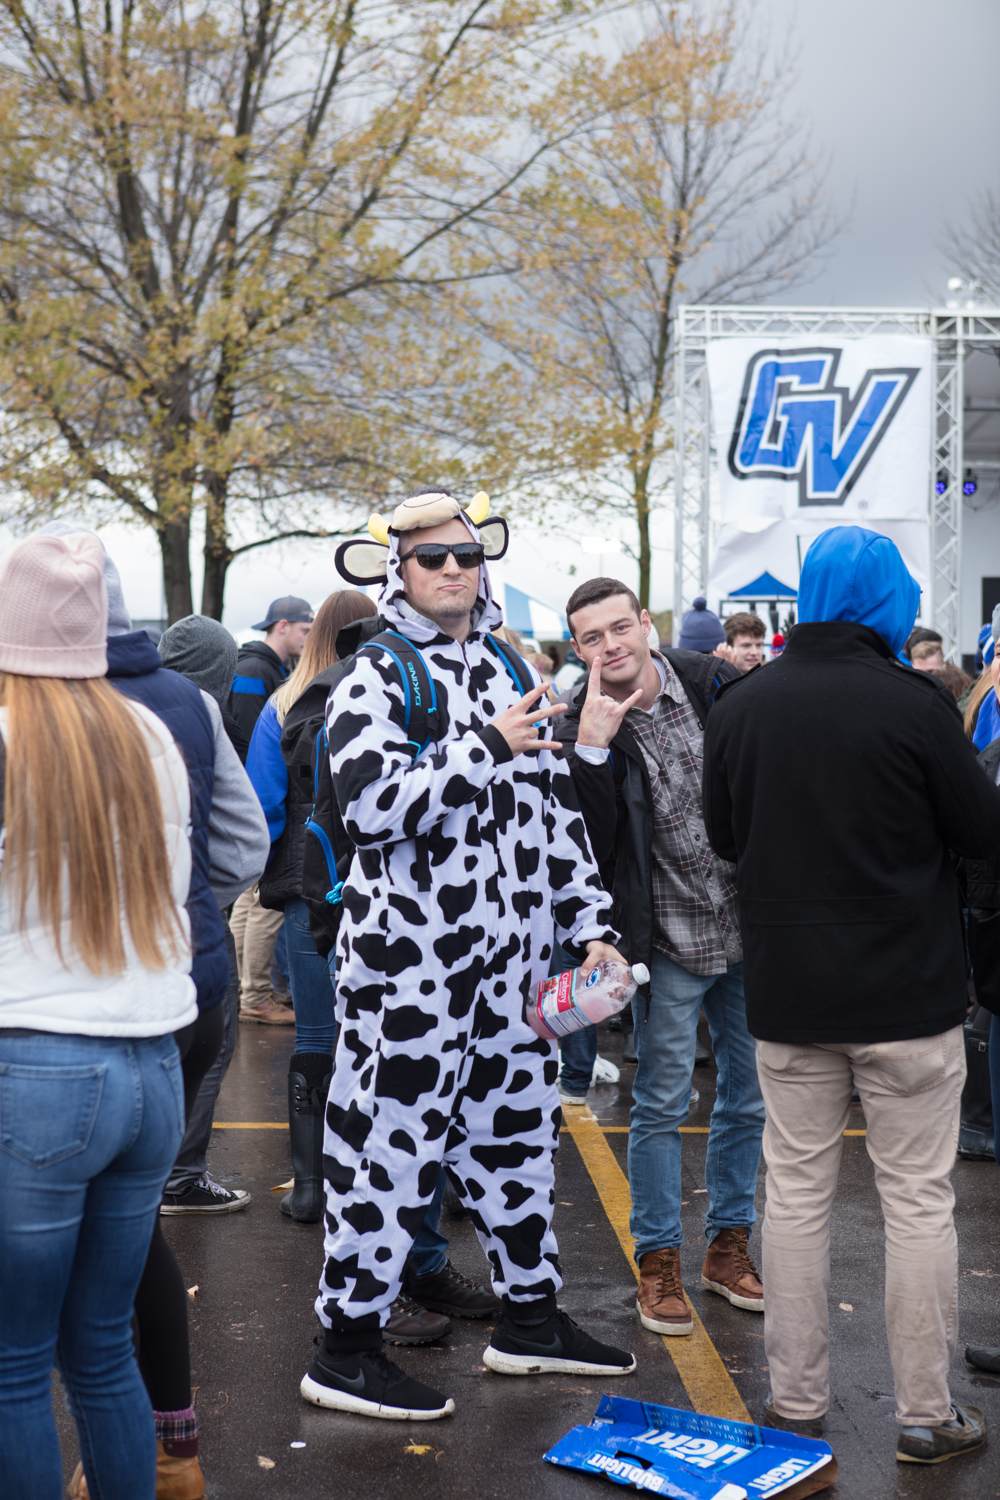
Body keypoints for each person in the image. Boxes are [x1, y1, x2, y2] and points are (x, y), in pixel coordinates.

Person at [301, 491, 636, 1421]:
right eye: (430, 558)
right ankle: (345, 1350)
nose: (452, 569)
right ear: (397, 572)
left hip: (513, 974)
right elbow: (370, 807)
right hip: (408, 975)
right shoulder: (373, 677)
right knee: (386, 1156)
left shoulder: (507, 662)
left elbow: (550, 805)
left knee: (519, 1144)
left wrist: (591, 920)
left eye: (464, 554)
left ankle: (530, 1321)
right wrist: (484, 745)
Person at [703, 524, 1000, 1466]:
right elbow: (982, 832)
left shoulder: (744, 703)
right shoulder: (915, 703)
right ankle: (924, 1414)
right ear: (888, 602)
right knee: (916, 1201)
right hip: (909, 995)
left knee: (794, 1195)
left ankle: (794, 1403)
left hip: (790, 993)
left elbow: (723, 836)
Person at [0, 532, 195, 1500]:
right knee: (103, 1345)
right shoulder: (148, 734)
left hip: (40, 1069)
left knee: (11, 1363)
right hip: (150, 1066)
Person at [555, 577, 764, 1341]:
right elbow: (585, 843)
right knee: (661, 1104)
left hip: (746, 930)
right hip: (666, 943)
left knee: (748, 1098)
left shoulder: (712, 683)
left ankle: (729, 1247)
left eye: (620, 627)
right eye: (592, 637)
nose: (611, 645)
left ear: (646, 623)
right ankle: (659, 1259)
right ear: (577, 648)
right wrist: (590, 750)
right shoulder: (580, 720)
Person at [157, 614, 271, 1212]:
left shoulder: (100, 706)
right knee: (209, 1040)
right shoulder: (202, 714)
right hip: (193, 916)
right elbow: (246, 839)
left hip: (109, 921)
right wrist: (206, 896)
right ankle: (180, 1176)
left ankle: (144, 1173)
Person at [228, 595, 313, 1026]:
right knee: (260, 906)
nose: (308, 637)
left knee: (249, 901)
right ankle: (255, 995)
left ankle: (243, 990)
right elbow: (249, 740)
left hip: (252, 796)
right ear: (282, 626)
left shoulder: (264, 670)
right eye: (303, 629)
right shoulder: (255, 673)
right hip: (257, 797)